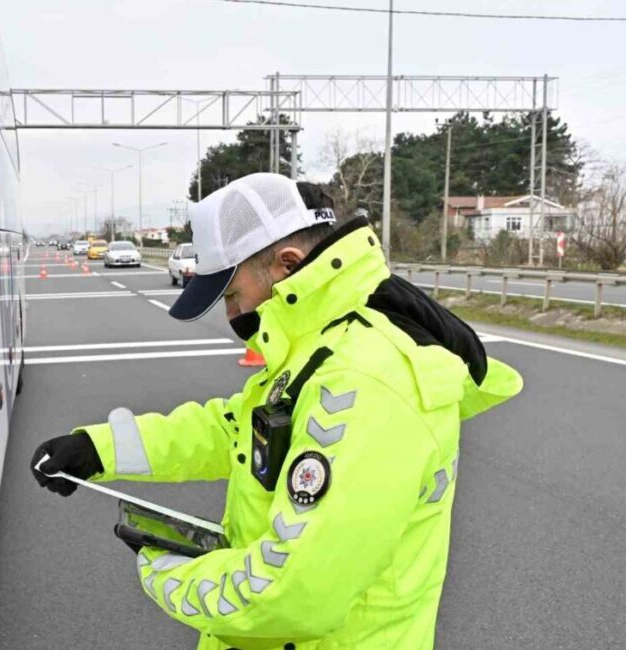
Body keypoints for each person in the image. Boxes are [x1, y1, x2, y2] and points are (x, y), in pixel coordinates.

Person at [31, 173, 523, 650]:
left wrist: (164, 571)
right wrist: (99, 448)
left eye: (231, 295)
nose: (231, 317)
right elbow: (234, 429)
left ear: (286, 265)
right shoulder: (321, 346)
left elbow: (291, 594)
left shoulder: (365, 379)